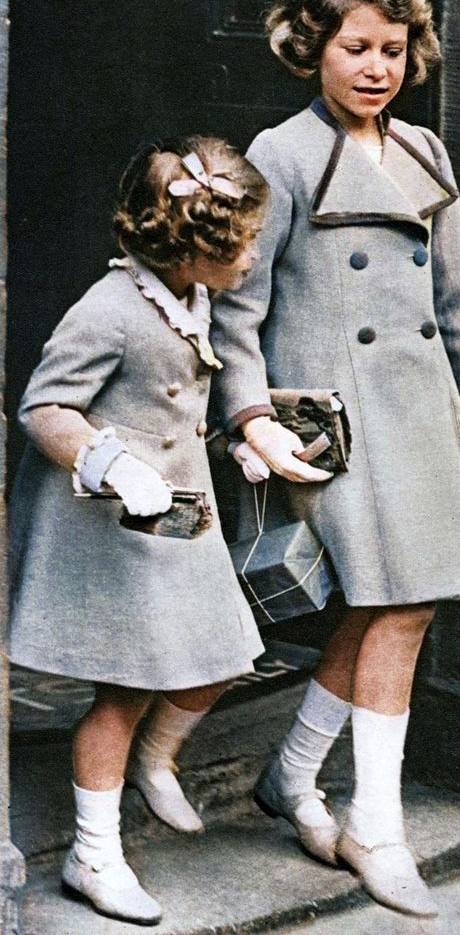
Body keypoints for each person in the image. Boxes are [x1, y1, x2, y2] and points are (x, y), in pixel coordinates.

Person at [210, 0, 460, 918]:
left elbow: (459, 294)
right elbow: (235, 311)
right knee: (394, 604)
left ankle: (291, 775)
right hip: (332, 426)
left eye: (391, 48)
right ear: (311, 47)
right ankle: (373, 823)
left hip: (422, 414)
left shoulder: (425, 153)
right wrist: (249, 418)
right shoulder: (281, 154)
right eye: (353, 47)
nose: (374, 67)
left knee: (398, 606)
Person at [9, 136, 268, 925]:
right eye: (245, 243)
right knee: (121, 692)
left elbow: (179, 404)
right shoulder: (113, 309)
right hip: (115, 525)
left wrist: (238, 443)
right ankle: (95, 853)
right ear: (196, 246)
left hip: (181, 518)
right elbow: (42, 408)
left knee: (223, 656)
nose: (253, 259)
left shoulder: (193, 298)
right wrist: (106, 460)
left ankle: (157, 759)